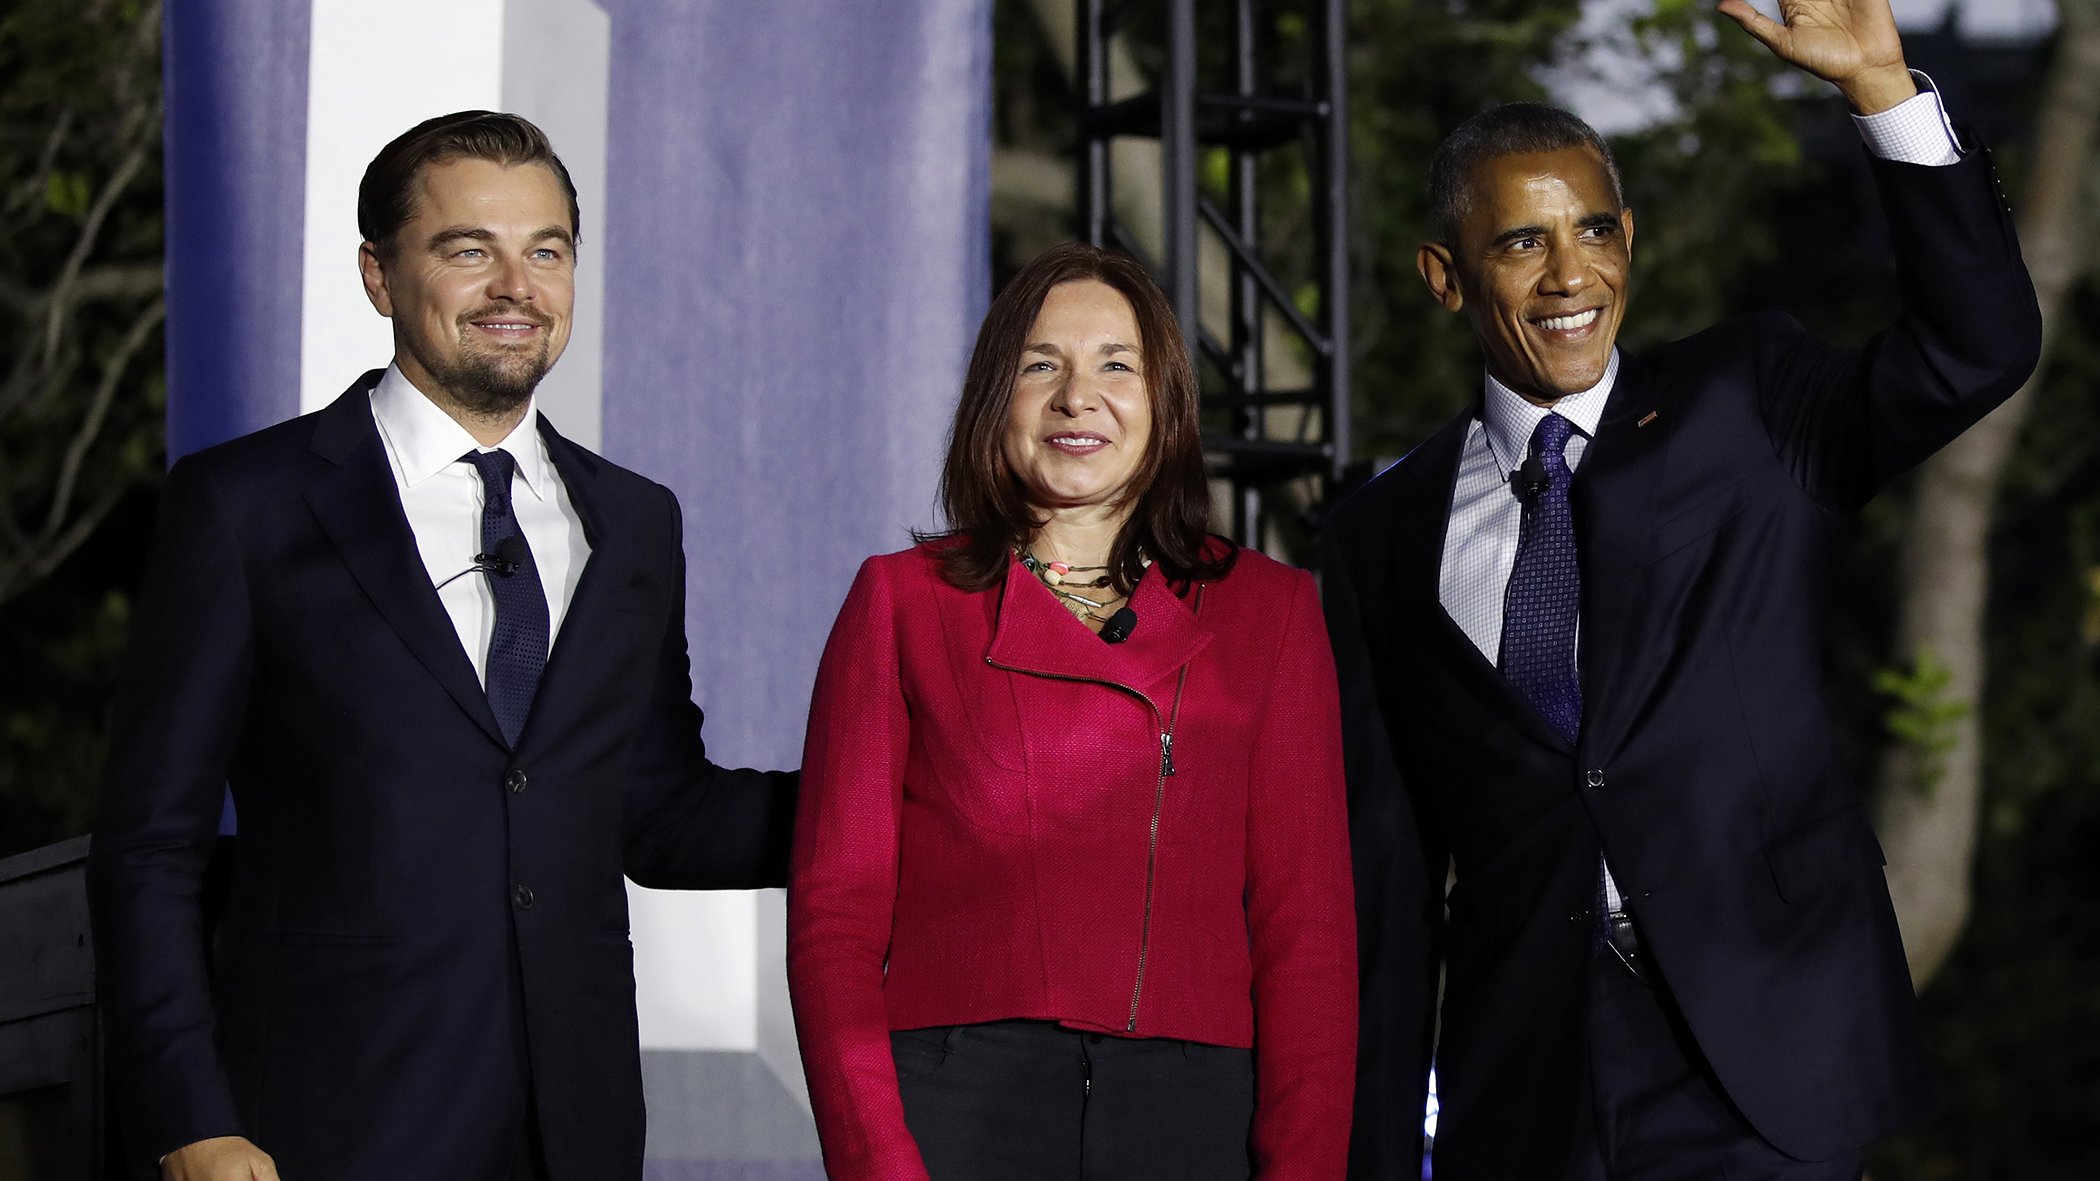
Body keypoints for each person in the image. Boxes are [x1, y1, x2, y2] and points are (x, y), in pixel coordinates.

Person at [1321, 1, 2042, 1178]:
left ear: (1631, 239)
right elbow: (1388, 886)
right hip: (1530, 1090)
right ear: (1444, 275)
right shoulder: (1377, 536)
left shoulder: (1747, 400)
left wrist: (1879, 89)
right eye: (1521, 243)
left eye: (1595, 230)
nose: (1572, 274)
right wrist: (1378, 1154)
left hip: (1762, 1066)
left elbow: (1981, 347)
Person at [88, 111, 797, 1181]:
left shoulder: (637, 520)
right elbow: (149, 847)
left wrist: (915, 799)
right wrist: (193, 1118)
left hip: (574, 1132)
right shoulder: (245, 507)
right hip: (318, 1130)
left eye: (545, 250)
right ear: (378, 274)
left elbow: (660, 813)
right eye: (470, 249)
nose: (517, 285)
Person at [787, 242, 1357, 1180]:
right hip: (957, 1110)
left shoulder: (1273, 612)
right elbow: (834, 919)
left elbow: (1310, 936)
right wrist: (877, 1162)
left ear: (1166, 403)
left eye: (1116, 365)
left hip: (1193, 1116)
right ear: (992, 402)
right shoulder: (901, 603)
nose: (1076, 396)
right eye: (1040, 365)